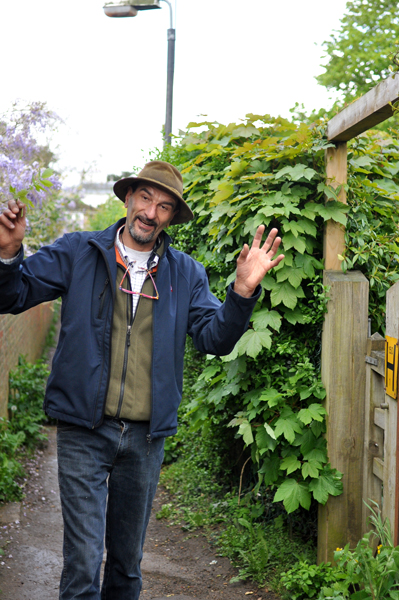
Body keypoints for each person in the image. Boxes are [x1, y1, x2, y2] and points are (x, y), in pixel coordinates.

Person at [0, 160, 284, 600]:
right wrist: (7, 256)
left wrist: (241, 294)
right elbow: (13, 295)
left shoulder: (185, 273)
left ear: (171, 217)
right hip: (82, 431)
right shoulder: (79, 251)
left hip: (145, 440)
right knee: (82, 565)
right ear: (129, 198)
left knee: (127, 568)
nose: (152, 213)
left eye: (165, 206)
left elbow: (214, 339)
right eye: (146, 198)